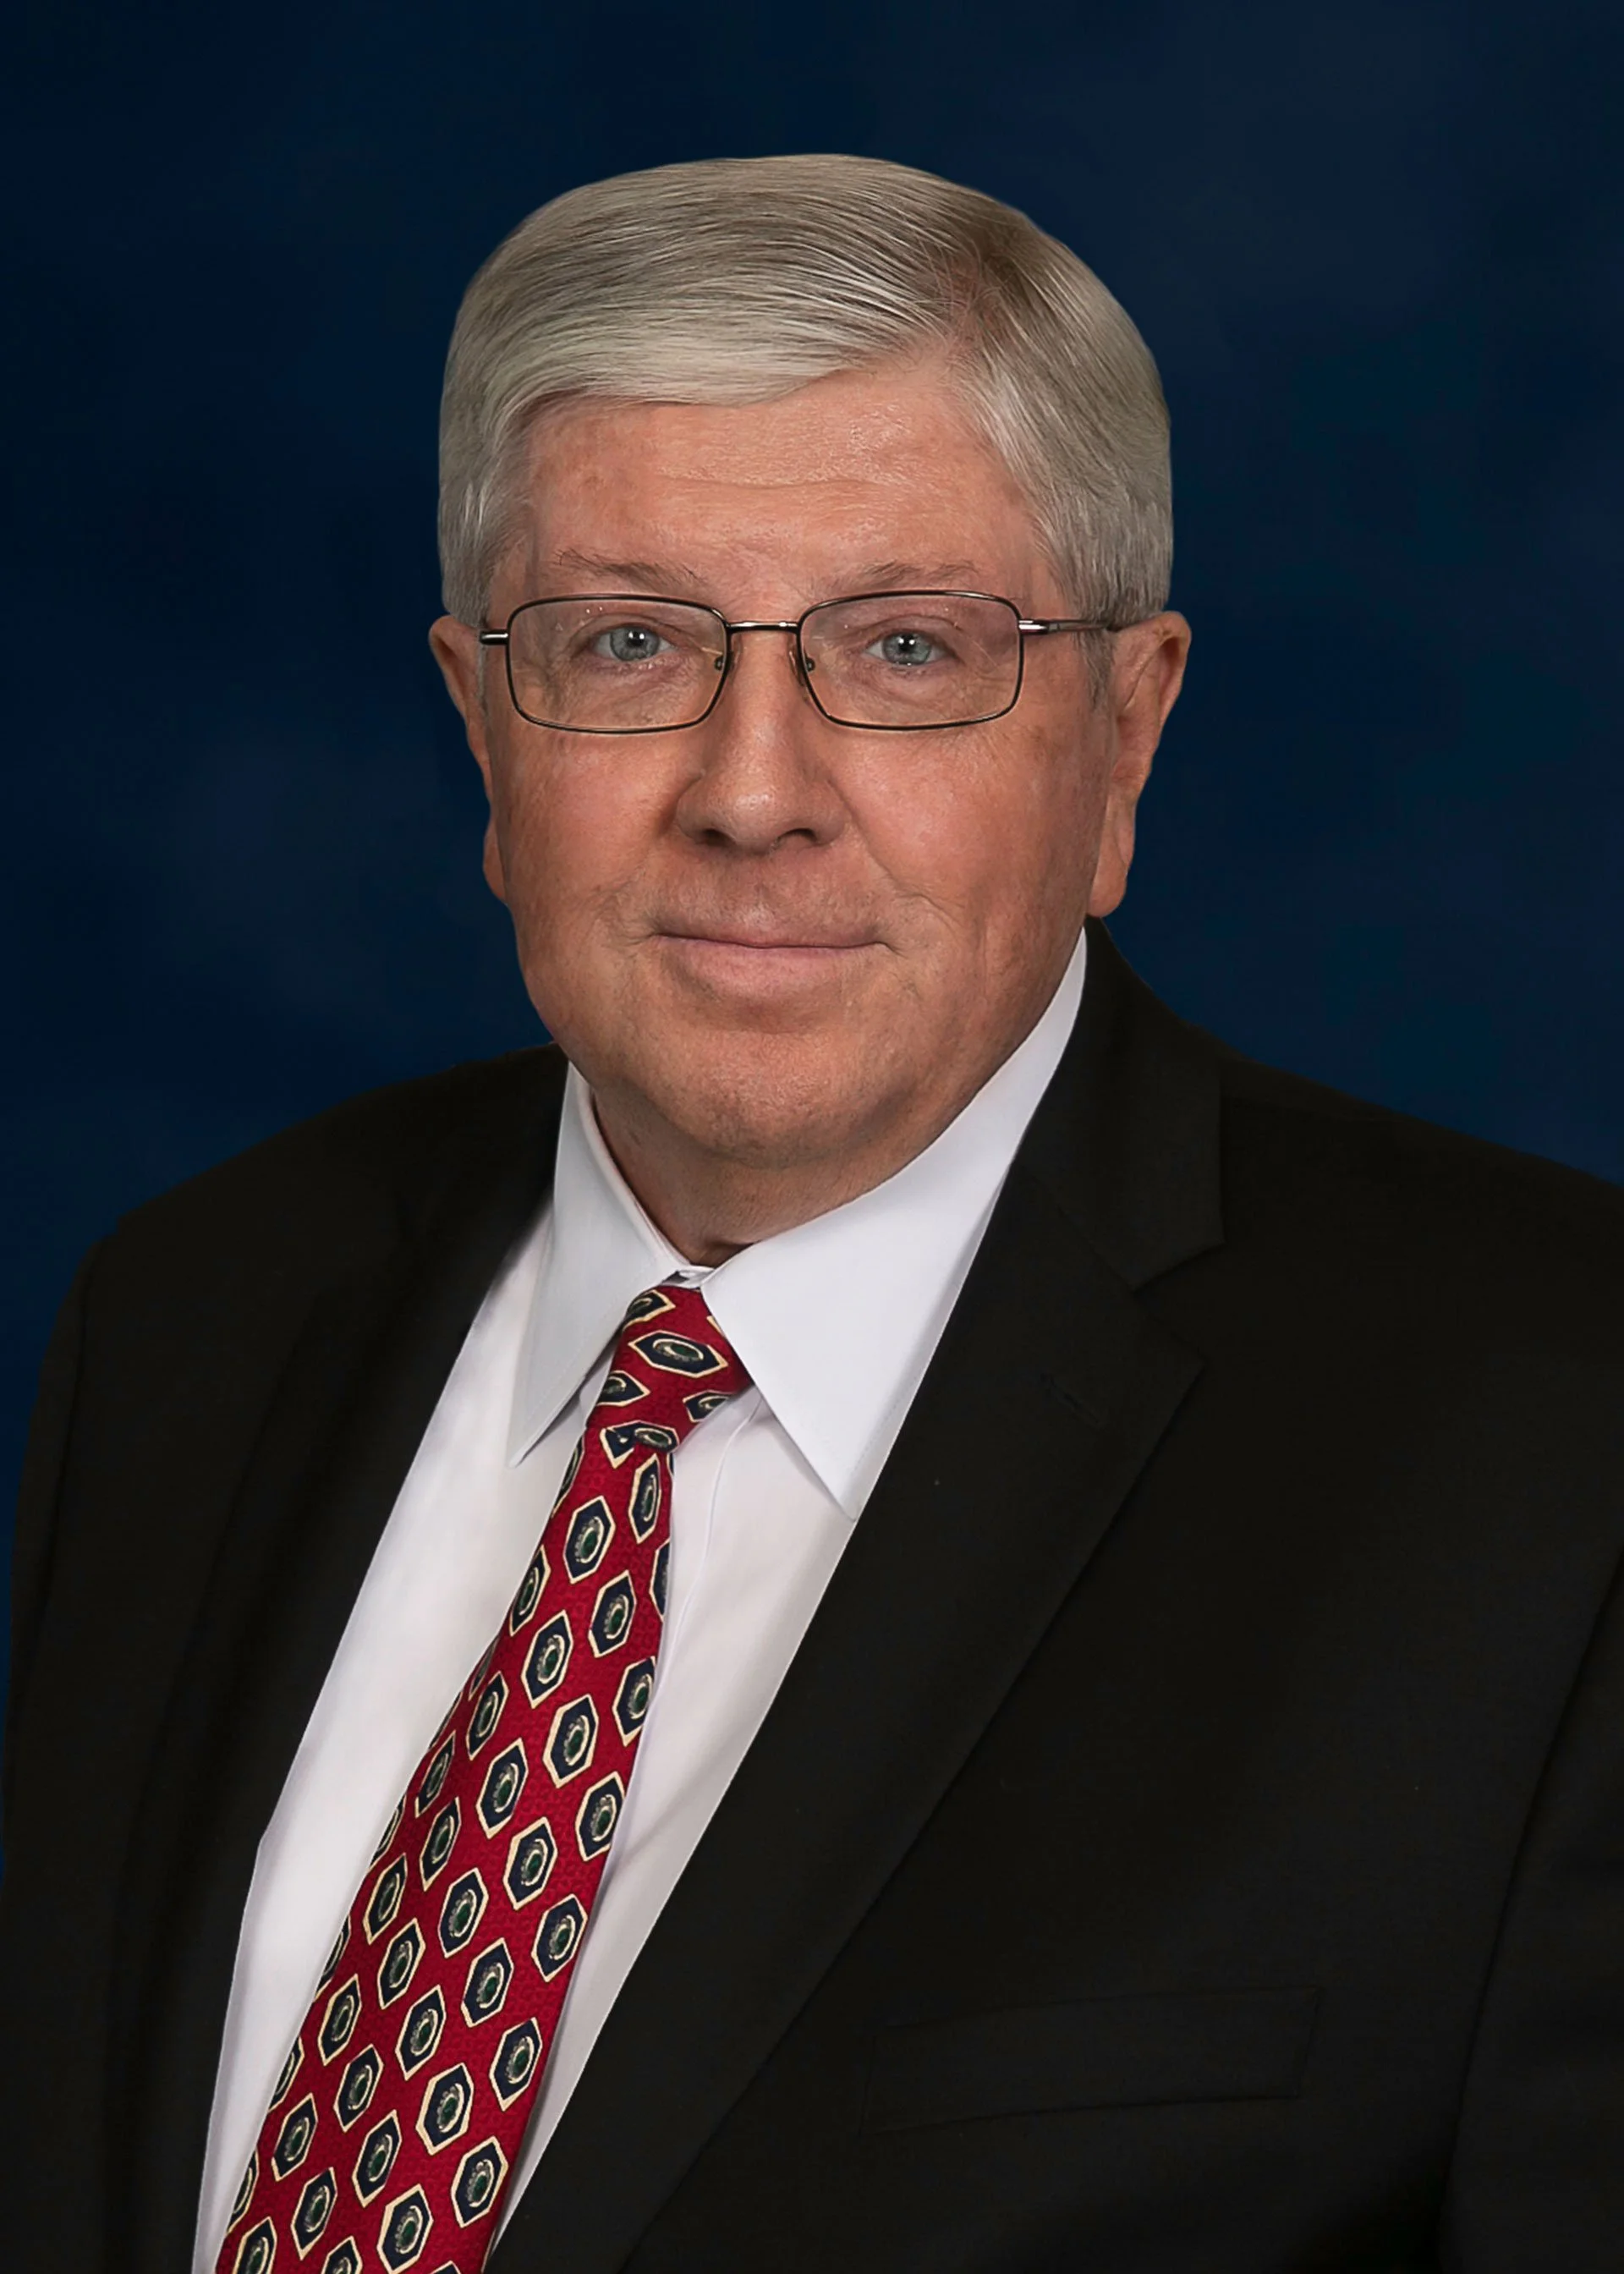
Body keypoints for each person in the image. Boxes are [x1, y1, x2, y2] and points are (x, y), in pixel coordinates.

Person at [3, 152, 1621, 2274]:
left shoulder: (1560, 1444)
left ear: (1126, 739)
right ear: (482, 723)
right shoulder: (197, 1311)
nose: (754, 786)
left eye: (911, 648)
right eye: (631, 640)